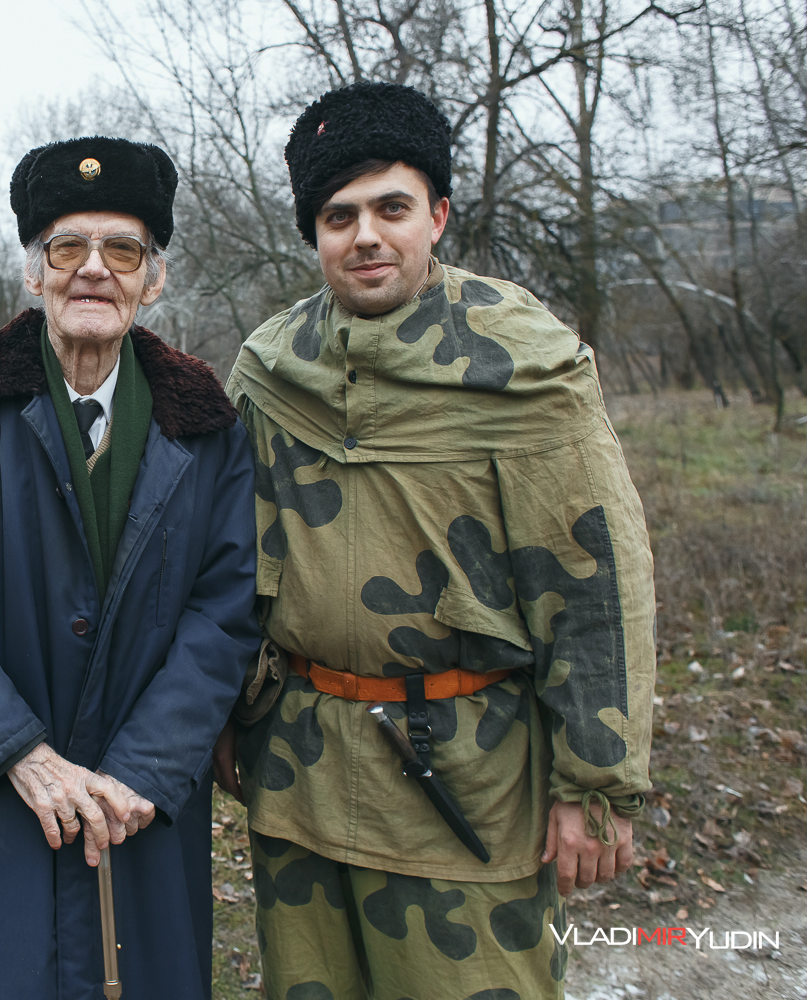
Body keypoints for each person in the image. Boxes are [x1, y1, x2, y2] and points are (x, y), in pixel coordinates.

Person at [215, 83, 656, 1000]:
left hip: (465, 784)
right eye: (339, 216)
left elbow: (597, 588)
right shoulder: (271, 368)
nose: (366, 236)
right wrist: (219, 713)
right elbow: (225, 563)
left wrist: (596, 785)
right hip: (300, 774)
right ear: (314, 234)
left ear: (438, 216)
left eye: (392, 208)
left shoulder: (523, 364)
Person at [0, 136, 260, 1000]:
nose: (93, 269)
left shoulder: (207, 429)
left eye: (121, 249)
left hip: (139, 812)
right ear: (32, 272)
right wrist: (19, 751)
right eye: (66, 247)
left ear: (153, 279)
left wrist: (145, 768)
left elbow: (226, 610)